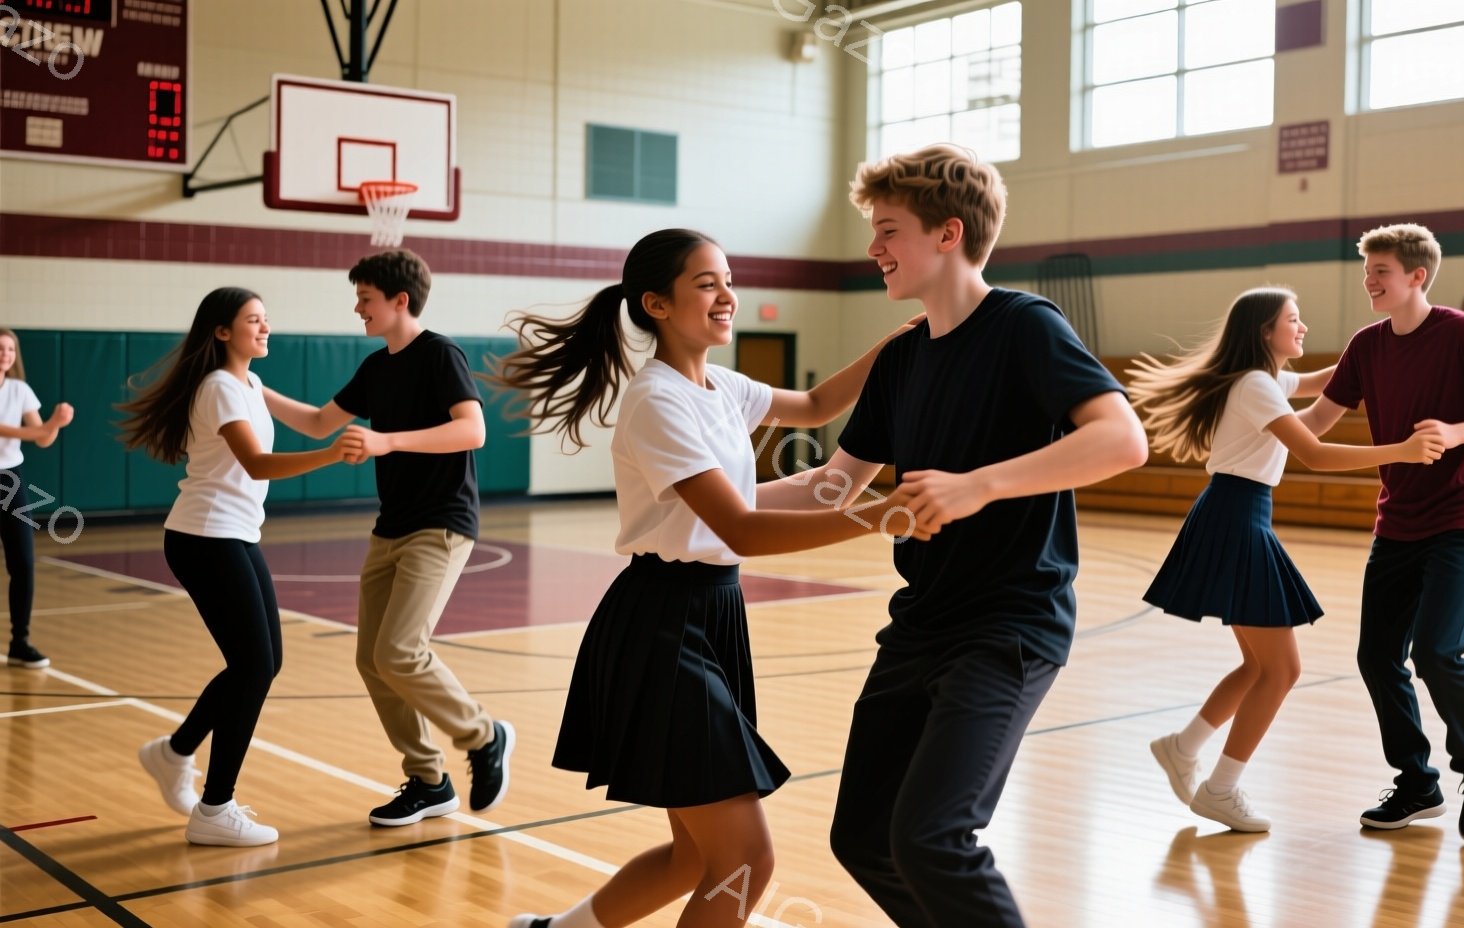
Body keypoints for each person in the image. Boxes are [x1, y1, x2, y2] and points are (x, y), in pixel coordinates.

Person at [494, 228, 928, 928]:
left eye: (727, 279)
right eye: (707, 283)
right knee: (746, 861)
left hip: (710, 619)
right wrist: (882, 520)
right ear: (657, 304)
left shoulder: (720, 386)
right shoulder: (657, 401)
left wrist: (900, 348)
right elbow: (743, 528)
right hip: (661, 627)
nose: (727, 295)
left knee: (696, 857)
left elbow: (817, 409)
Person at [807, 144, 1147, 928]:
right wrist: (704, 497)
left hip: (1009, 624)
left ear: (948, 233)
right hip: (921, 623)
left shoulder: (1024, 326)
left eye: (888, 229)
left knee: (931, 836)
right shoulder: (901, 357)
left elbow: (1122, 440)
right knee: (864, 837)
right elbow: (833, 484)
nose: (874, 248)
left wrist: (979, 484)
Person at [1130, 288, 1443, 833]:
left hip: (1237, 514)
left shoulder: (1267, 379)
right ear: (1263, 333)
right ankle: (1220, 789)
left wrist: (1374, 346)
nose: (1303, 327)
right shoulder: (1255, 385)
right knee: (1282, 668)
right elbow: (1315, 453)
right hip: (1236, 517)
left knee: (1260, 665)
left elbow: (1326, 385)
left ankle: (1183, 749)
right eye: (1293, 321)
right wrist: (1400, 450)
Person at [1298, 224, 1464, 842]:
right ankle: (1416, 780)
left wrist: (1458, 432)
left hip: (1462, 511)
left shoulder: (1462, 332)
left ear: (1416, 277)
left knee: (1436, 651)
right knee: (1377, 656)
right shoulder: (1366, 345)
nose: (1369, 281)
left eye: (1380, 271)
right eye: (1367, 271)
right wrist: (1249, 418)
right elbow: (1316, 422)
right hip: (1398, 518)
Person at [261, 249, 514, 827]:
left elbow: (472, 430)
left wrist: (388, 442)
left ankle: (484, 734)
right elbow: (319, 422)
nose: (358, 308)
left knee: (400, 651)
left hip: (441, 523)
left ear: (400, 301)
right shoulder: (377, 368)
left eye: (365, 298)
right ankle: (429, 780)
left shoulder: (439, 353)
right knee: (373, 661)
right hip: (391, 527)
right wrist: (254, 388)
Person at [121, 288, 353, 846]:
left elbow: (319, 421)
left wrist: (367, 392)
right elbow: (256, 463)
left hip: (233, 536)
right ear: (222, 331)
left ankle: (174, 751)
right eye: (254, 320)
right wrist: (333, 455)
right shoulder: (220, 387)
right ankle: (214, 809)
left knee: (263, 662)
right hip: (205, 536)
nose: (265, 327)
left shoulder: (249, 383)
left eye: (267, 319)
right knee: (252, 666)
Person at [0, 327, 73, 669]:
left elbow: (42, 439)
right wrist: (47, 426)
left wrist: (55, 425)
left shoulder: (20, 389)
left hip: (10, 481)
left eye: (10, 350)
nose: (5, 354)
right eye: (1, 348)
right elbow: (12, 430)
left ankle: (20, 642)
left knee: (24, 563)